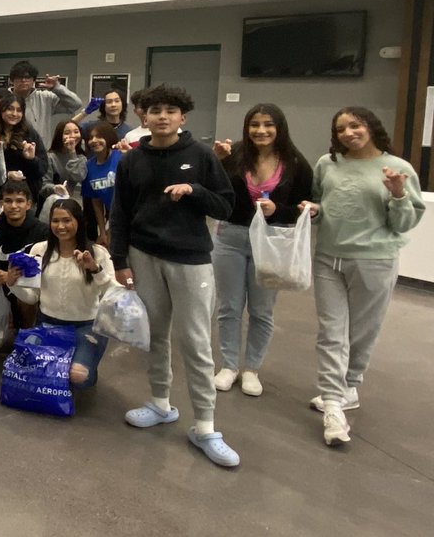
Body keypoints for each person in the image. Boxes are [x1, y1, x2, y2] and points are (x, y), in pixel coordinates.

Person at [108, 84, 239, 468]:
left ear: (183, 117)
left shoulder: (200, 155)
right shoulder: (132, 160)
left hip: (191, 259)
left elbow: (226, 204)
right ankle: (161, 404)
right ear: (143, 118)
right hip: (144, 255)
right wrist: (120, 260)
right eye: (154, 110)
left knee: (196, 342)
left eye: (170, 110)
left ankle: (205, 426)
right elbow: (121, 213)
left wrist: (195, 190)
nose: (162, 116)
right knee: (156, 335)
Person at [301, 106, 424, 446]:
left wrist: (398, 193)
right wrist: (314, 210)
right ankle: (333, 408)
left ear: (370, 126)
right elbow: (321, 201)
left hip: (375, 261)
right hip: (328, 258)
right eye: (340, 129)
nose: (348, 133)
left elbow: (403, 223)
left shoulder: (398, 168)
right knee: (331, 332)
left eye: (354, 125)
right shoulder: (328, 164)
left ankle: (349, 386)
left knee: (363, 331)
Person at [210, 104, 313, 397]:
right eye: (255, 124)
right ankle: (229, 366)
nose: (261, 130)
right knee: (229, 307)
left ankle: (252, 369)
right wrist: (216, 161)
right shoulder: (234, 154)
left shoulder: (294, 162)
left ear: (279, 128)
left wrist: (277, 209)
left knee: (262, 310)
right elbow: (211, 189)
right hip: (230, 236)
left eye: (268, 124)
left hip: (271, 242)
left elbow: (304, 207)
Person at [9, 199, 119, 388]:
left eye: (67, 220)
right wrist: (13, 284)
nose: (61, 226)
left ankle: (85, 362)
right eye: (55, 221)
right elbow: (33, 297)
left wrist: (95, 270)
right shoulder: (39, 250)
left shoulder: (98, 253)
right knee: (28, 369)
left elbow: (115, 295)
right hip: (47, 323)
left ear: (79, 221)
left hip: (85, 327)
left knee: (78, 376)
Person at [0, 180, 50, 328]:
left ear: (28, 204)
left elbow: (43, 270)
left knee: (25, 296)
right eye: (8, 201)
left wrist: (11, 278)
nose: (14, 206)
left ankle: (28, 333)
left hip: (30, 288)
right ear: (1, 204)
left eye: (19, 201)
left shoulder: (42, 231)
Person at [7, 60, 83, 143]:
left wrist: (57, 88)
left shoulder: (45, 98)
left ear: (33, 80)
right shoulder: (4, 98)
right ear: (12, 80)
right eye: (19, 77)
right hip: (11, 150)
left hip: (41, 151)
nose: (23, 80)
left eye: (28, 77)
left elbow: (76, 104)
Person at [0, 93, 47, 201]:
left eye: (19, 110)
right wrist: (7, 175)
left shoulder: (30, 134)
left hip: (27, 195)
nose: (14, 114)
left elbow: (43, 168)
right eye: (10, 109)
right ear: (1, 110)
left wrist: (32, 159)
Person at [81, 123, 122, 246]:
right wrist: (103, 232)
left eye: (99, 136)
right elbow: (96, 201)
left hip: (131, 215)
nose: (94, 141)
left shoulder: (120, 157)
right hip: (113, 217)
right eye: (91, 138)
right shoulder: (89, 166)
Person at [46, 119, 87, 196]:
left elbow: (79, 177)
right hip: (49, 200)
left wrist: (72, 152)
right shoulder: (50, 157)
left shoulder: (81, 157)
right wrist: (55, 188)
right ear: (59, 136)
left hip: (67, 201)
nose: (73, 136)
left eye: (76, 132)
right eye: (67, 133)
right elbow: (44, 184)